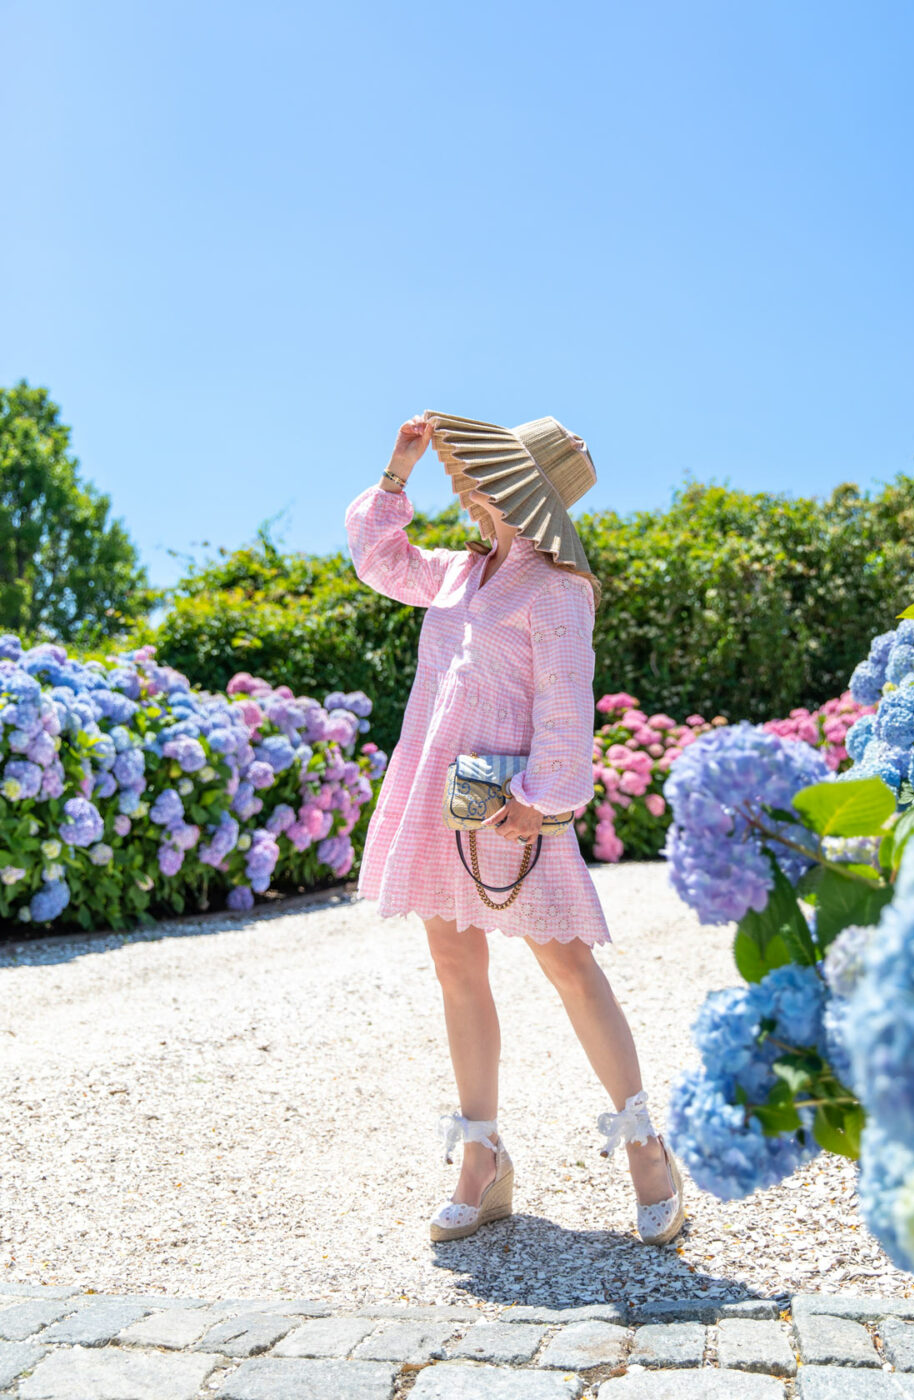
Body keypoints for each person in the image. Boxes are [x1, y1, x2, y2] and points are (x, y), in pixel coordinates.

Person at [343, 410, 684, 1247]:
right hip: (441, 797)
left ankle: (645, 1144)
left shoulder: (558, 587)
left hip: (513, 802)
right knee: (456, 965)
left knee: (568, 966)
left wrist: (541, 798)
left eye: (474, 476)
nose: (462, 487)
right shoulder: (459, 572)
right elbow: (381, 561)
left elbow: (567, 705)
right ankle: (482, 1157)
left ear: (517, 489)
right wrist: (398, 470)